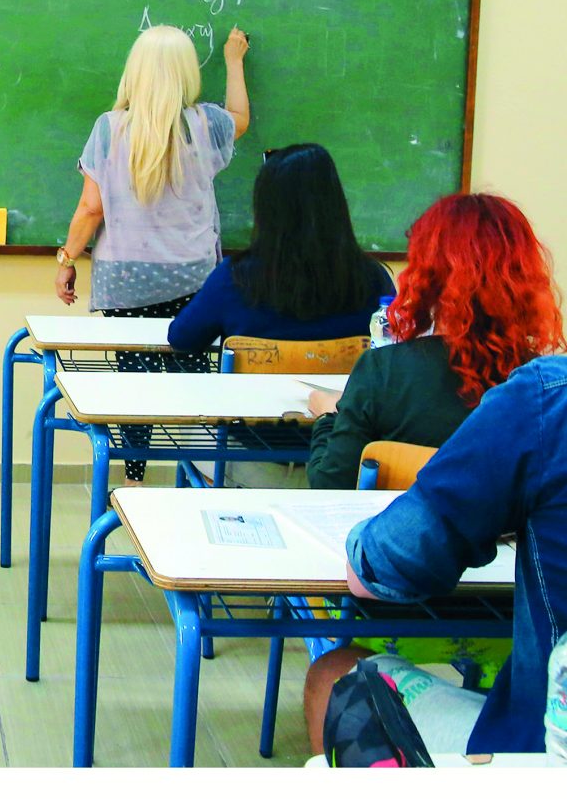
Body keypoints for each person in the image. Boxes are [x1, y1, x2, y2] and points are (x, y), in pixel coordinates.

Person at [302, 354, 567, 757]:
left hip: (540, 751)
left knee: (331, 675)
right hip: (499, 634)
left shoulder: (544, 402)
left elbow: (381, 564)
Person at [57, 23, 251, 483]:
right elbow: (240, 117)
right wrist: (234, 61)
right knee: (195, 378)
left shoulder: (110, 128)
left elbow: (90, 208)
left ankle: (134, 477)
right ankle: (201, 474)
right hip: (193, 278)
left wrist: (67, 260)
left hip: (127, 281)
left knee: (135, 385)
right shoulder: (207, 124)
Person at [306, 193, 563, 490]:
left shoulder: (381, 371)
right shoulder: (546, 386)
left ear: (426, 274)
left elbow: (330, 484)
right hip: (504, 522)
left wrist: (328, 418)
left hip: (402, 520)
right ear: (522, 276)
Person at [167, 143, 393, 353]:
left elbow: (182, 338)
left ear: (264, 209)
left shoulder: (233, 278)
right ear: (336, 205)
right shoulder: (372, 278)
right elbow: (395, 341)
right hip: (343, 385)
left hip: (253, 386)